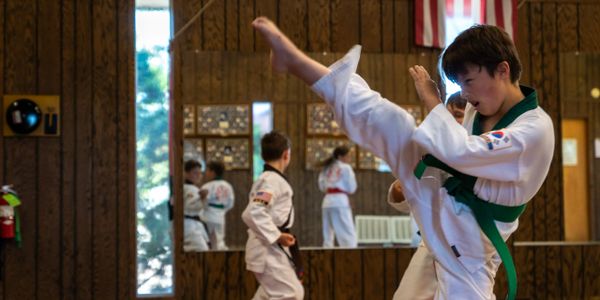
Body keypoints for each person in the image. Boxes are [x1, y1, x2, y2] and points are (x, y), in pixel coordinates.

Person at [252, 17, 554, 299]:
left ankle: (296, 62)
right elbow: (449, 156)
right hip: (449, 214)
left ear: (502, 70)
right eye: (460, 84)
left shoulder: (535, 128)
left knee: (397, 129)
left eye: (468, 81)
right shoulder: (479, 108)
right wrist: (409, 182)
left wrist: (433, 100)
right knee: (392, 124)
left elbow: (463, 153)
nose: (464, 93)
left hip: (473, 236)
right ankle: (296, 63)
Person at [387, 91, 469, 299]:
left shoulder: (480, 151)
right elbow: (408, 198)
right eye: (448, 115)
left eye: (458, 115)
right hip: (433, 243)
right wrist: (400, 188)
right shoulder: (434, 150)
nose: (452, 122)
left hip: (469, 245)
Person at [241, 131, 304, 300]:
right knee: (290, 294)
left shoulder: (270, 179)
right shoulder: (271, 181)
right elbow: (253, 212)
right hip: (266, 247)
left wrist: (278, 237)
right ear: (286, 154)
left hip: (269, 245)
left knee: (271, 294)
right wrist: (276, 236)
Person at [317, 146, 358, 248]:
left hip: (327, 201)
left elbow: (321, 185)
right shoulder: (346, 168)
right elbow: (352, 187)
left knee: (328, 234)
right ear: (340, 156)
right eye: (347, 156)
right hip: (340, 201)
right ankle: (351, 255)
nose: (349, 159)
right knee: (347, 232)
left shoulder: (326, 168)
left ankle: (327, 252)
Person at [199, 160, 234, 250]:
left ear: (212, 172)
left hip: (208, 216)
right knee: (220, 240)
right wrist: (221, 210)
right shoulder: (228, 186)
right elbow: (230, 203)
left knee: (211, 242)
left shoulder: (207, 186)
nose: (205, 173)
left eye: (207, 170)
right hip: (221, 216)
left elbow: (202, 204)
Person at [183, 159, 210, 252]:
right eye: (195, 173)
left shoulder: (192, 188)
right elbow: (190, 206)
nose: (199, 175)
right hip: (189, 224)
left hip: (194, 224)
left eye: (200, 173)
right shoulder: (188, 188)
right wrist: (202, 197)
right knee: (202, 251)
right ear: (186, 173)